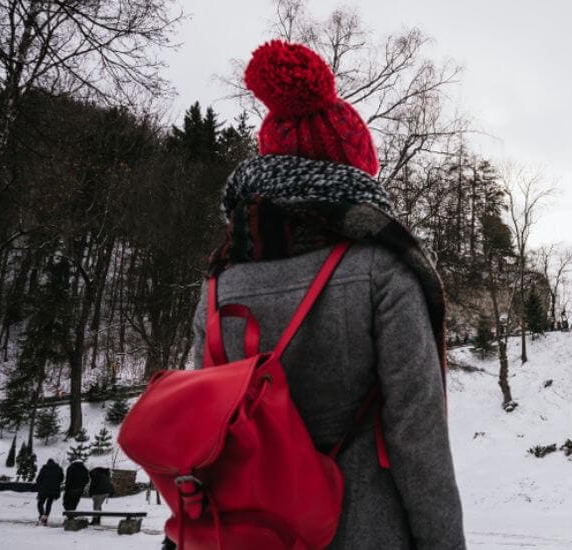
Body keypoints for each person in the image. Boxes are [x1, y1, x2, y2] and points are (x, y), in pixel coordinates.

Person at [187, 40, 464, 549]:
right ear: (355, 171)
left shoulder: (221, 275)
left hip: (246, 532)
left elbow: (199, 420)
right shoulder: (381, 266)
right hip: (361, 529)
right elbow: (417, 433)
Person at [34, 458, 63, 526]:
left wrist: (41, 485)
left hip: (44, 490)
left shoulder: (44, 468)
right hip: (54, 490)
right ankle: (46, 517)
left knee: (40, 503)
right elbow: (61, 479)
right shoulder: (59, 469)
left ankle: (42, 515)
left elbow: (38, 479)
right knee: (49, 504)